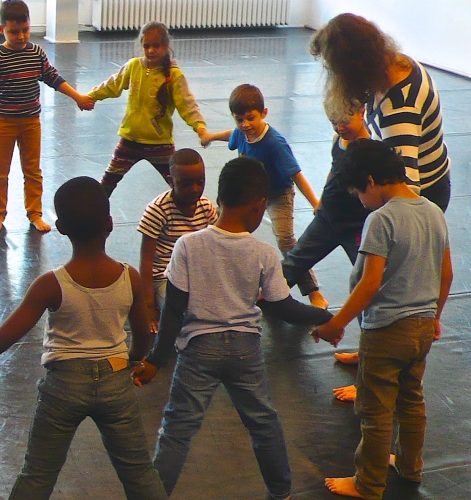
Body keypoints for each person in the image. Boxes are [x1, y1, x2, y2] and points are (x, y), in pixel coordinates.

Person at [0, 177, 168, 500]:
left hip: (64, 388)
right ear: (110, 224)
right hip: (116, 381)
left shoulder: (50, 284)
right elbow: (143, 335)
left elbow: (6, 336)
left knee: (37, 475)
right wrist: (136, 360)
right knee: (139, 472)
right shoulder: (129, 276)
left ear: (60, 227)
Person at [132, 157, 332, 499]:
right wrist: (327, 319)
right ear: (258, 207)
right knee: (263, 423)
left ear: (218, 199)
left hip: (198, 350)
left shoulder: (187, 246)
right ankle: (281, 492)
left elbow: (174, 312)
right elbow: (284, 308)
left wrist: (155, 360)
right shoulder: (264, 252)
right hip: (245, 349)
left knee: (177, 430)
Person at [312, 140, 452, 500]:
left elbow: (370, 283)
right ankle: (409, 464)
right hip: (421, 327)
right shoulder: (434, 211)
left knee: (374, 411)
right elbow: (446, 273)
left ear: (371, 181)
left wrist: (336, 323)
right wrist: (434, 316)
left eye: (359, 192)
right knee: (411, 400)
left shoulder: (381, 218)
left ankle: (368, 483)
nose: (361, 200)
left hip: (386, 331)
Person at [0, 0, 95, 233]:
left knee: (33, 170)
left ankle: (35, 213)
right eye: (13, 32)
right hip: (4, 122)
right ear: (2, 30)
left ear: (30, 25)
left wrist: (77, 96)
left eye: (25, 30)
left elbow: (53, 78)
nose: (20, 36)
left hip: (31, 122)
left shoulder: (36, 52)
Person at [201, 84, 327, 308]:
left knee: (286, 241)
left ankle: (314, 293)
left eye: (251, 118)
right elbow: (232, 135)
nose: (245, 125)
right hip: (252, 195)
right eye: (239, 120)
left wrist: (316, 203)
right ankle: (230, 282)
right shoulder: (241, 133)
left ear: (264, 113)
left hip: (278, 194)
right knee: (226, 230)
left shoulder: (274, 143)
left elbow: (296, 174)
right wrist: (210, 136)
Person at [310, 13, 452, 212]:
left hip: (422, 198)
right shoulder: (397, 65)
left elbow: (406, 193)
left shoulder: (398, 111)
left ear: (354, 68)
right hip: (428, 181)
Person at [279, 97, 372, 397]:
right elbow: (334, 170)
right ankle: (245, 309)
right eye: (334, 122)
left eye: (345, 120)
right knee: (292, 264)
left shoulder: (370, 148)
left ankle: (369, 362)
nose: (340, 127)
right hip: (329, 218)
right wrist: (320, 199)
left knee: (364, 287)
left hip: (356, 226)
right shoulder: (339, 139)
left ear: (362, 112)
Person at [88, 22, 209, 196]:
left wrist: (200, 128)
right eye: (146, 46)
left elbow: (187, 104)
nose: (151, 50)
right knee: (107, 183)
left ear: (166, 46)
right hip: (130, 140)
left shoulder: (174, 76)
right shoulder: (134, 66)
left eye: (156, 46)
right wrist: (91, 96)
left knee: (180, 186)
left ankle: (194, 216)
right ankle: (93, 215)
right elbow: (113, 84)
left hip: (159, 143)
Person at [137, 148, 216, 332]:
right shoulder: (157, 210)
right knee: (179, 313)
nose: (195, 189)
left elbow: (215, 247)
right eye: (186, 184)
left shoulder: (206, 207)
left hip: (196, 273)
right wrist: (148, 307)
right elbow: (146, 262)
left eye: (200, 182)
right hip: (165, 278)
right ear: (171, 182)